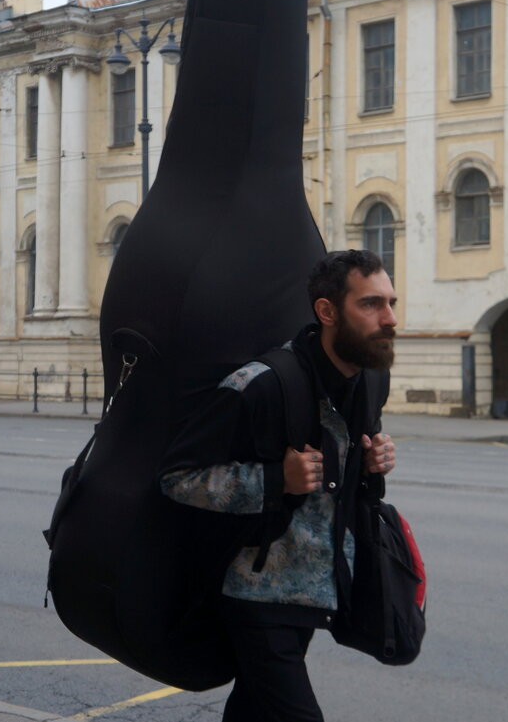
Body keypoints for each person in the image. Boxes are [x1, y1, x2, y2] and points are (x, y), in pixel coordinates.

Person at [160, 249, 398, 722]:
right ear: (327, 311)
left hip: (318, 588)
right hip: (255, 590)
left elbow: (342, 481)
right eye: (371, 304)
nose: (390, 318)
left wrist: (372, 464)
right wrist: (274, 480)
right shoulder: (260, 384)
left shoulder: (371, 380)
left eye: (391, 302)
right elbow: (176, 478)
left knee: (253, 710)